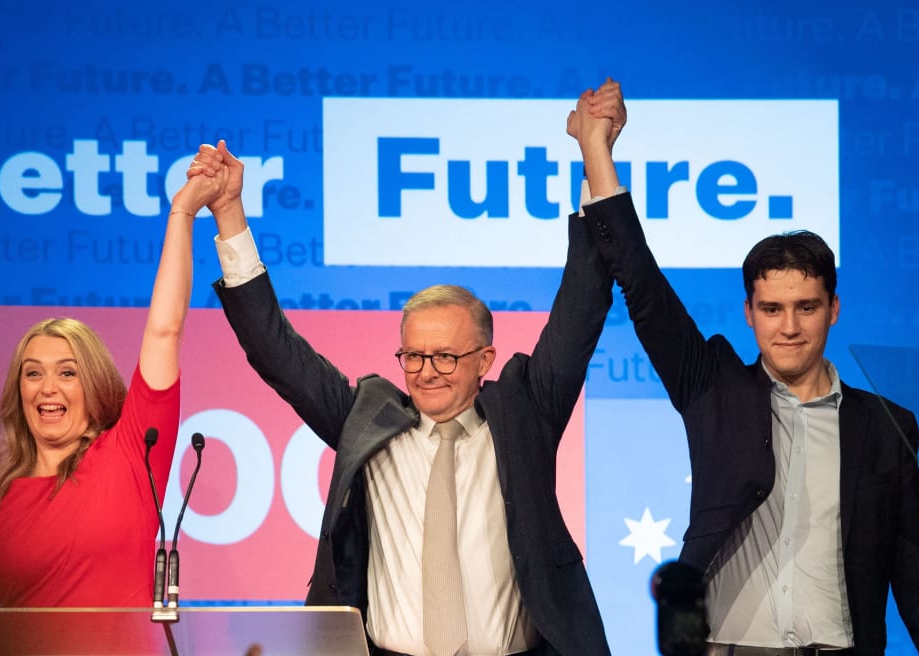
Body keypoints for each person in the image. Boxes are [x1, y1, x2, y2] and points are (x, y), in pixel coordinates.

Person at [194, 80, 626, 656]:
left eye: (446, 355)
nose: (426, 371)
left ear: (484, 361)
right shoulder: (368, 419)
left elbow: (582, 304)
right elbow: (277, 351)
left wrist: (596, 154)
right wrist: (228, 212)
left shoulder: (525, 412)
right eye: (413, 355)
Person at [573, 95, 919, 654]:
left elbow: (918, 575)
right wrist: (596, 152)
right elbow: (643, 285)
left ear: (833, 309)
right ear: (749, 313)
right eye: (772, 309)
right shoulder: (712, 388)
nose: (789, 327)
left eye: (806, 307)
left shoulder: (886, 426)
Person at [0, 146, 226, 609]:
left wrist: (182, 212)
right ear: (19, 393)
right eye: (32, 373)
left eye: (67, 372)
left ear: (94, 387)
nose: (48, 387)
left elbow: (164, 331)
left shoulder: (129, 456)